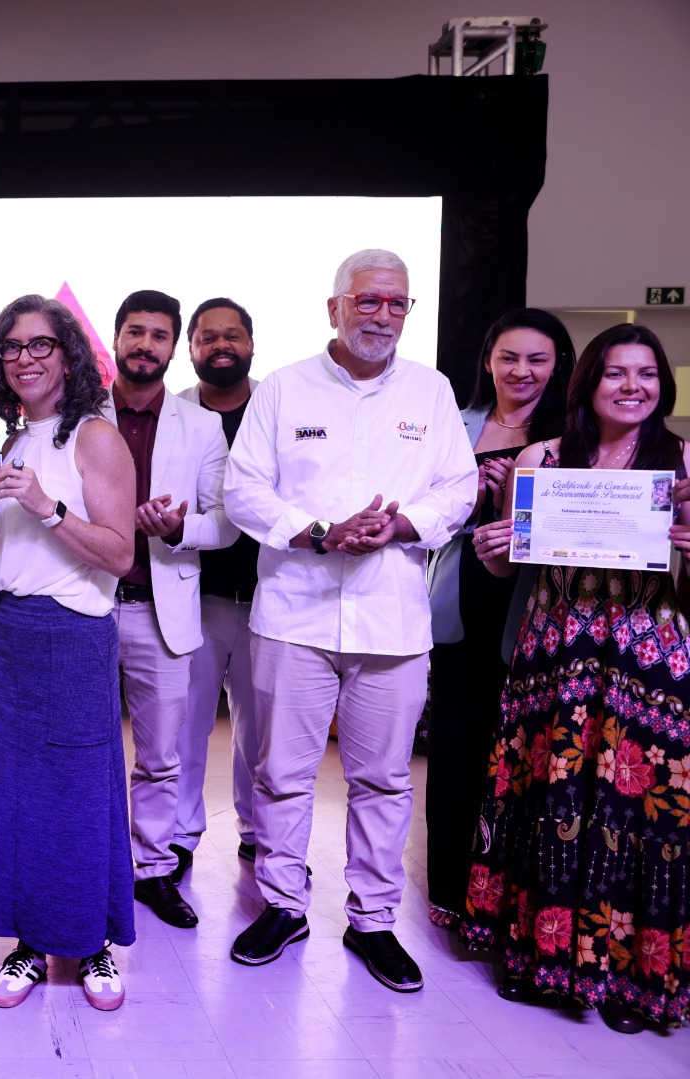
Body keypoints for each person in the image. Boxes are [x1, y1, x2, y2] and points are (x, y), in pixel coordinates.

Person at [222, 248, 476, 992]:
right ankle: (282, 904)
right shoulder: (282, 388)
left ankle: (372, 919)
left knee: (384, 779)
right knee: (281, 773)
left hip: (393, 621)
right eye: (368, 301)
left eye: (397, 304)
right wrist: (321, 531)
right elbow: (245, 491)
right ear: (334, 307)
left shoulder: (431, 392)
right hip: (294, 614)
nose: (383, 316)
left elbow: (458, 489)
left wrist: (401, 527)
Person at [464, 323, 690, 1033]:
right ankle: (543, 961)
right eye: (616, 373)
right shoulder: (543, 456)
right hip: (554, 651)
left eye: (646, 373)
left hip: (647, 656)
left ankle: (632, 977)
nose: (633, 387)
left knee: (641, 817)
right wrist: (490, 546)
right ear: (588, 383)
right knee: (550, 800)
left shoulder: (681, 461)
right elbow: (511, 567)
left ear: (663, 384)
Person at [0, 295, 137, 1010]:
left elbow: (121, 553)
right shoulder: (9, 443)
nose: (26, 356)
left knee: (79, 792)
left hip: (72, 640)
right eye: (12, 347)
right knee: (14, 795)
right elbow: (1, 561)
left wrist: (46, 505)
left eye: (40, 343)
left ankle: (91, 944)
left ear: (67, 353)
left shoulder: (94, 436)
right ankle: (32, 944)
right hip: (8, 635)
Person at [423, 308, 574, 929]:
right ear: (488, 361)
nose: (522, 370)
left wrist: (525, 494)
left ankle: (508, 899)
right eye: (509, 357)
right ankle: (448, 891)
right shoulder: (453, 424)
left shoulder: (573, 434)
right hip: (459, 601)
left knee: (518, 755)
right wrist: (471, 498)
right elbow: (421, 512)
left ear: (558, 366)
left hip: (536, 609)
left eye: (537, 359)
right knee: (454, 748)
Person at [107, 290, 238, 930]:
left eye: (159, 336)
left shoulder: (201, 425)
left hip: (162, 612)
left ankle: (153, 870)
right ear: (115, 337)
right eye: (136, 332)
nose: (146, 345)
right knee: (86, 750)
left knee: (160, 757)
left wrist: (179, 529)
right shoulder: (78, 414)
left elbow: (228, 526)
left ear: (173, 347)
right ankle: (93, 867)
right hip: (85, 608)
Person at [175, 298, 263, 865]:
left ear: (251, 344)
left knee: (262, 732)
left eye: (232, 336)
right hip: (193, 596)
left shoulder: (274, 408)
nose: (221, 346)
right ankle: (178, 837)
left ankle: (259, 834)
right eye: (208, 338)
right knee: (185, 726)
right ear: (192, 349)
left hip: (269, 598)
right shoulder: (175, 413)